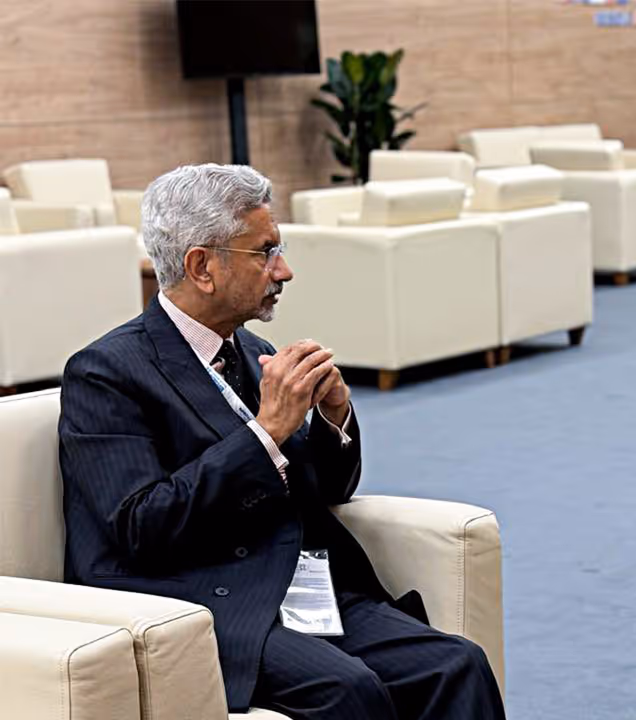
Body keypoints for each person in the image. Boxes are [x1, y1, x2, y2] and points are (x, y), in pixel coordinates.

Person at [59, 164, 505, 720]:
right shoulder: (107, 372)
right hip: (198, 599)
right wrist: (265, 432)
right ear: (202, 266)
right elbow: (141, 527)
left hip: (294, 584)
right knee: (349, 690)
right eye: (265, 252)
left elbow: (327, 491)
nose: (284, 270)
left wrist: (333, 418)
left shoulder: (249, 349)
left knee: (457, 664)